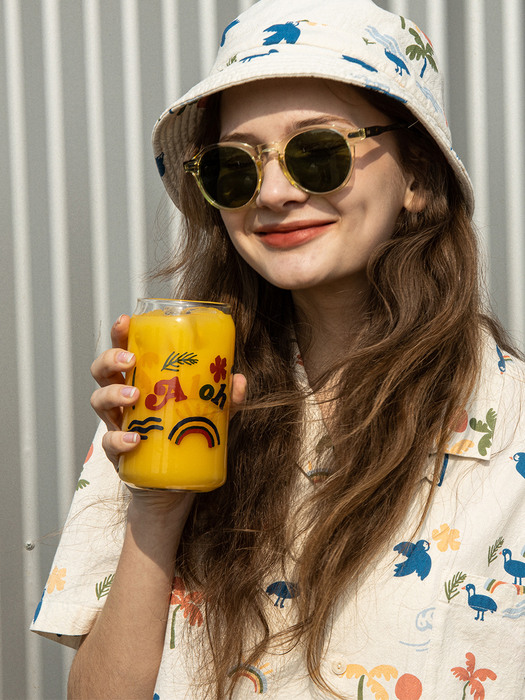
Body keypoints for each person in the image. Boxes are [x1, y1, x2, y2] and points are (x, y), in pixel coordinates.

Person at [31, 1, 525, 698]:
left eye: (317, 153)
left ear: (415, 175)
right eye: (234, 168)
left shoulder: (510, 424)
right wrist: (156, 509)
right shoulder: (173, 400)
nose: (273, 193)